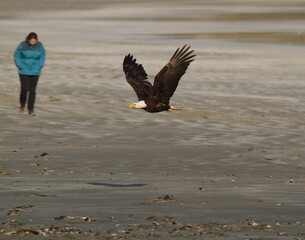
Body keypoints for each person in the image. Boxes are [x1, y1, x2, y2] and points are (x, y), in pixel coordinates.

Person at [14, 32, 46, 116]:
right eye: (31, 41)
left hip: (35, 70)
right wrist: (20, 65)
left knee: (32, 90)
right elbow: (17, 55)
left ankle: (31, 109)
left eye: (34, 41)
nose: (33, 43)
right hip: (24, 70)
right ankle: (22, 105)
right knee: (25, 88)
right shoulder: (22, 45)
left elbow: (43, 56)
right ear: (28, 40)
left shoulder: (39, 45)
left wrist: (40, 65)